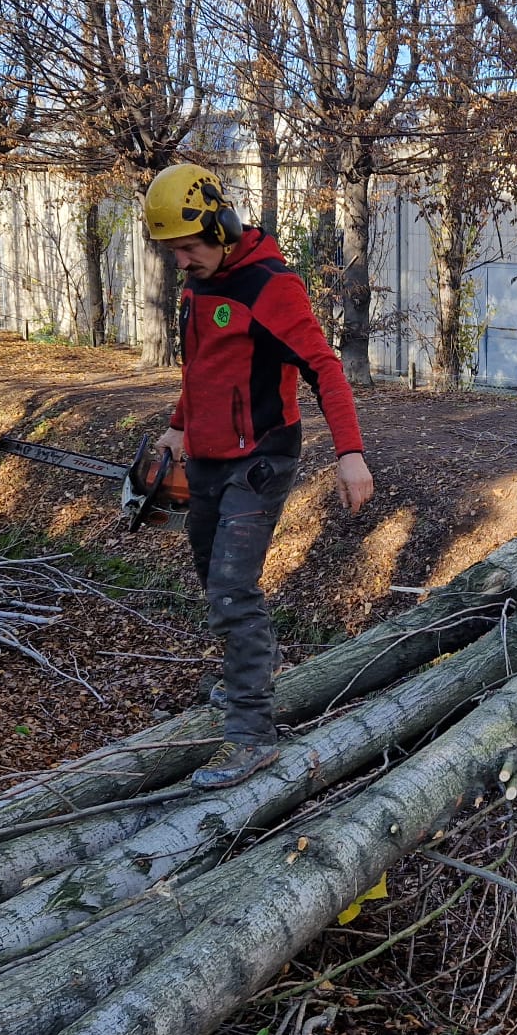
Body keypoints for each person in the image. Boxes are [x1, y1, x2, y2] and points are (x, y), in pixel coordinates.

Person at [145, 161, 375, 789]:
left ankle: (252, 735)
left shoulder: (271, 287)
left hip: (264, 456)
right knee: (209, 575)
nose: (181, 262)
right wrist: (176, 424)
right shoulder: (197, 287)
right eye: (171, 252)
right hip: (207, 456)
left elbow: (324, 368)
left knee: (230, 587)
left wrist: (349, 453)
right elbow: (201, 371)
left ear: (220, 228)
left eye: (188, 248)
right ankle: (256, 664)